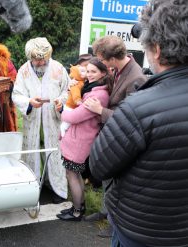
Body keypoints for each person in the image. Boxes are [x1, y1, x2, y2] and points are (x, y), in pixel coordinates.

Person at [89, 1, 188, 246]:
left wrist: (102, 111)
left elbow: (98, 166)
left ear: (155, 49)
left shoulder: (140, 106)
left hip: (142, 232)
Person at [83, 35, 146, 237]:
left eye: (101, 59)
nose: (100, 63)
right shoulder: (119, 69)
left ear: (111, 58)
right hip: (111, 132)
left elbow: (133, 117)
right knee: (108, 178)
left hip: (122, 136)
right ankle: (105, 212)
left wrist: (100, 110)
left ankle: (115, 224)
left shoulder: (136, 78)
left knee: (118, 183)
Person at [12, 37, 69, 203]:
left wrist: (61, 101)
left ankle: (57, 189)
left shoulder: (58, 68)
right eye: (35, 60)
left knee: (55, 154)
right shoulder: (23, 71)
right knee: (32, 154)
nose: (39, 63)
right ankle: (33, 186)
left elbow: (67, 90)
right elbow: (17, 94)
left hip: (52, 121)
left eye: (42, 59)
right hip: (33, 122)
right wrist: (29, 102)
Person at [56, 58, 111, 221]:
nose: (89, 75)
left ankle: (77, 211)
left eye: (94, 71)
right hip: (79, 139)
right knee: (75, 174)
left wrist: (61, 111)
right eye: (88, 71)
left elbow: (74, 116)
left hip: (79, 141)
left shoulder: (98, 94)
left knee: (71, 175)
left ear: (103, 73)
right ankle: (78, 207)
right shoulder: (92, 88)